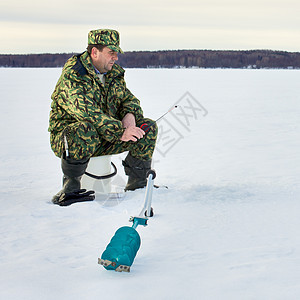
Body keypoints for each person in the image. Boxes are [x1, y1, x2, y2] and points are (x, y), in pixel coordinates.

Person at [48, 29, 157, 206]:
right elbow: (87, 113)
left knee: (147, 127)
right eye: (111, 52)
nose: (115, 58)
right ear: (94, 52)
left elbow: (129, 99)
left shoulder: (113, 74)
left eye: (117, 53)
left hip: (105, 136)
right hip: (71, 141)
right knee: (85, 129)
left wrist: (130, 115)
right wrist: (120, 132)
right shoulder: (74, 75)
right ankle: (70, 189)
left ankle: (139, 185)